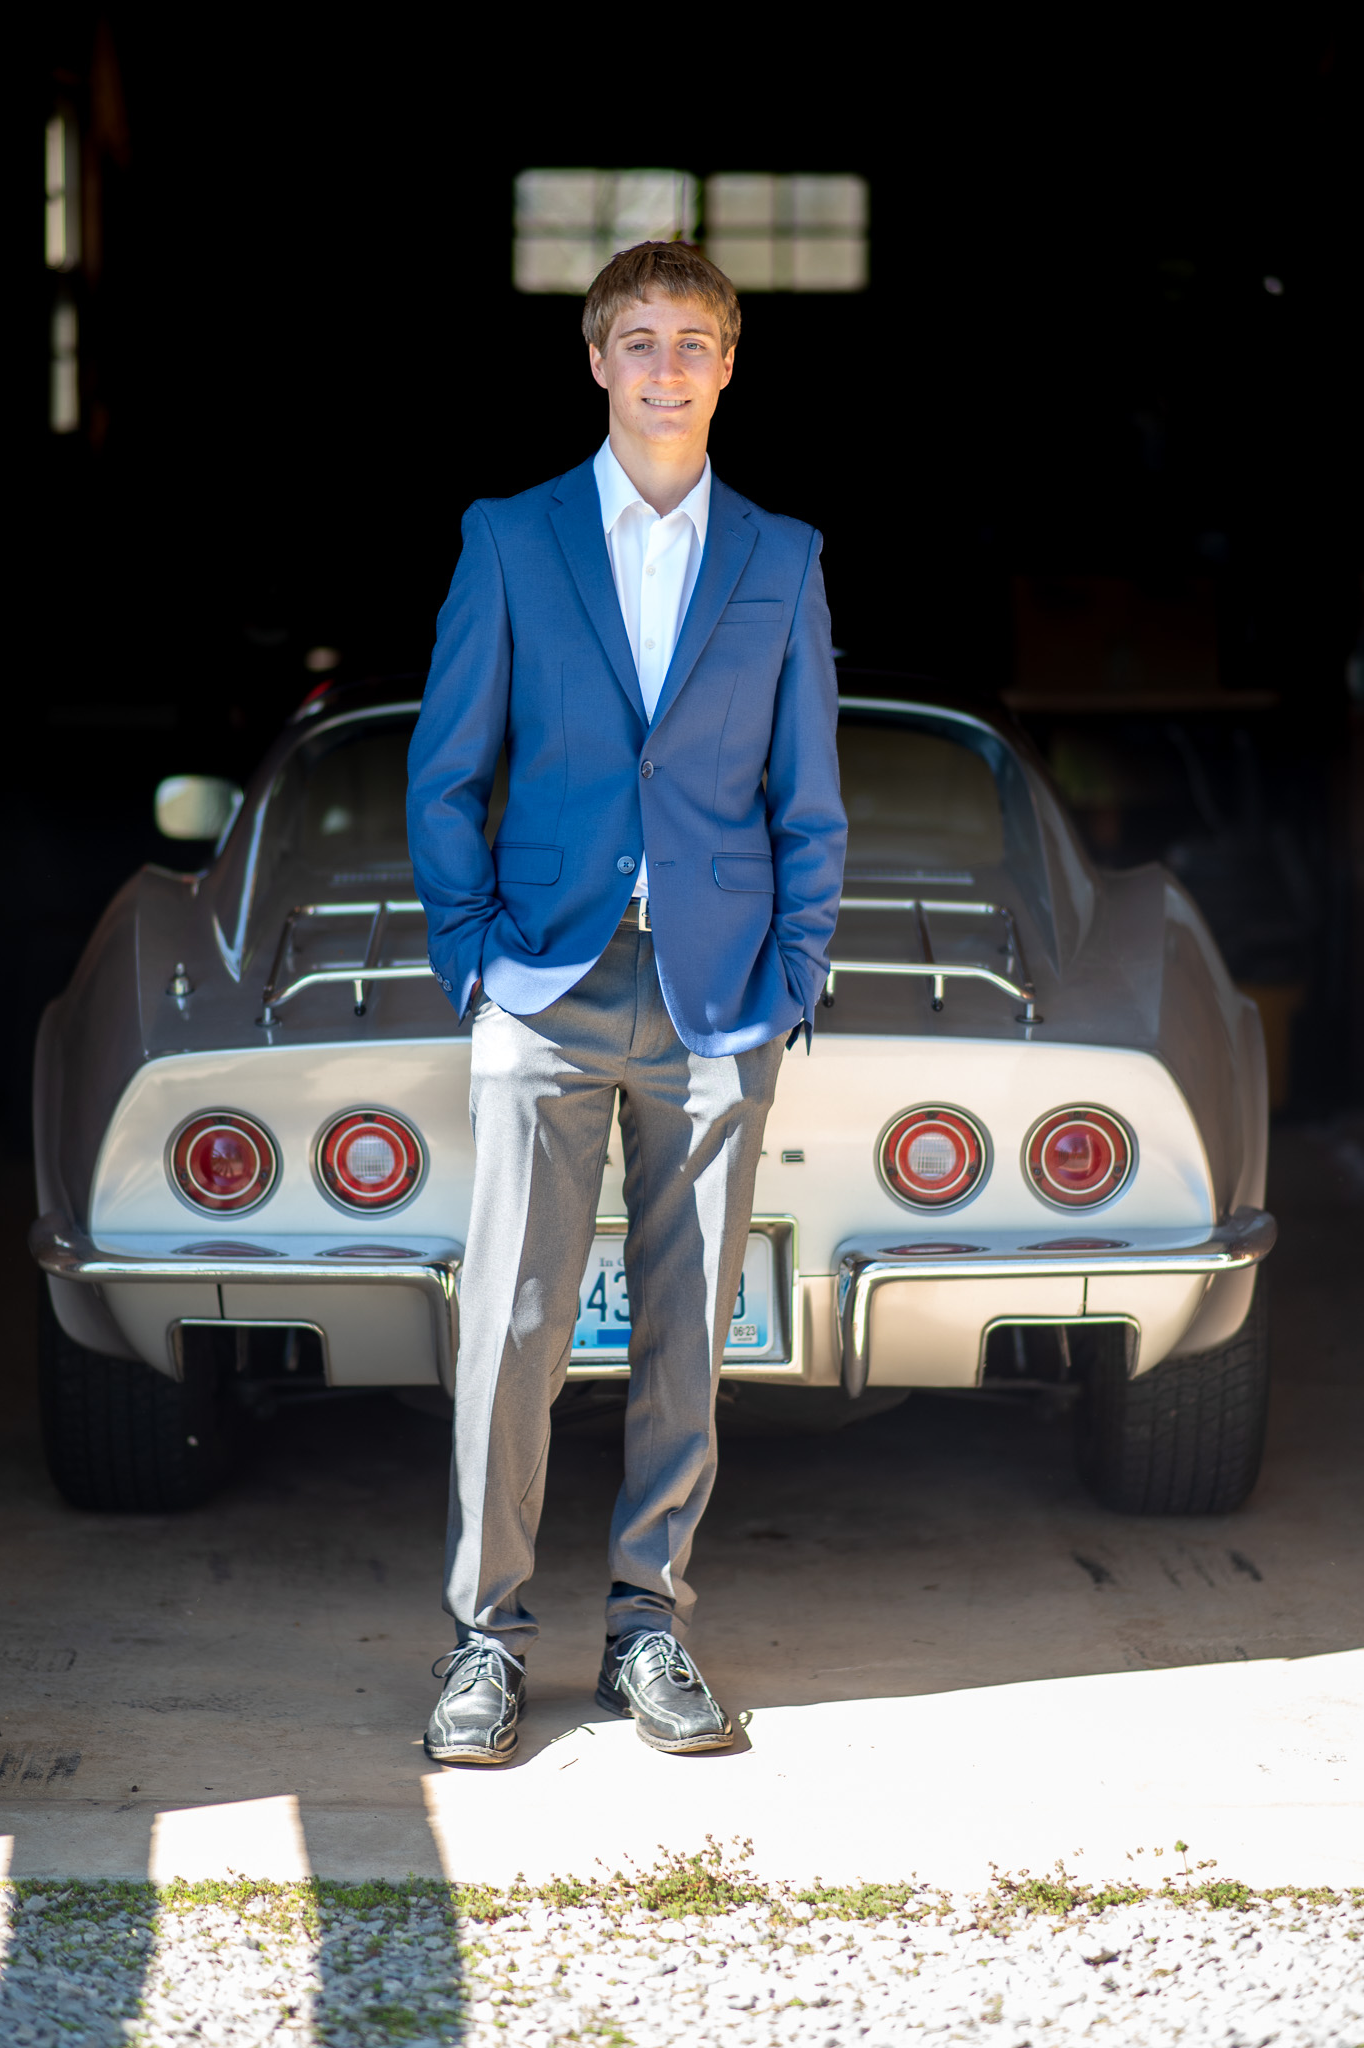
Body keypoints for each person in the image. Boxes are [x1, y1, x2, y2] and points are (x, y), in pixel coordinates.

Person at [407, 240, 846, 1763]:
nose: (666, 368)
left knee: (686, 1329)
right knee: (514, 1320)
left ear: (730, 367)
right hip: (544, 977)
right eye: (639, 340)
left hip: (722, 997)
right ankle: (486, 1640)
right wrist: (472, 958)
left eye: (695, 342)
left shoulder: (780, 557)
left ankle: (651, 1622)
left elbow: (810, 801)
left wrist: (796, 976)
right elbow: (447, 765)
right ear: (596, 362)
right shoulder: (513, 538)